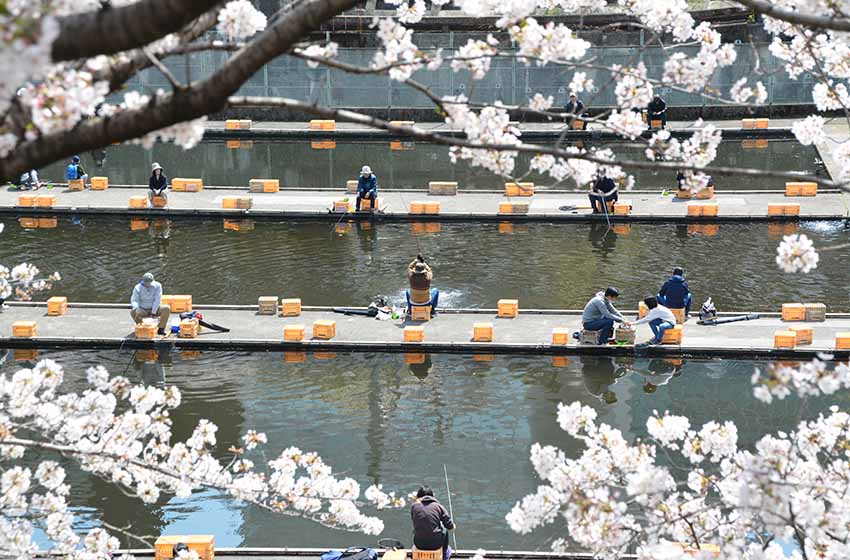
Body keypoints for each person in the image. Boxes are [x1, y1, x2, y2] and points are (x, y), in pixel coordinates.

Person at [410, 485, 455, 560]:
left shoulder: (414, 506)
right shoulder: (439, 507)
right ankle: (444, 554)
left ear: (418, 496)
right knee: (444, 528)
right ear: (432, 496)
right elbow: (449, 525)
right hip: (435, 545)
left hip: (419, 544)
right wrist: (453, 526)